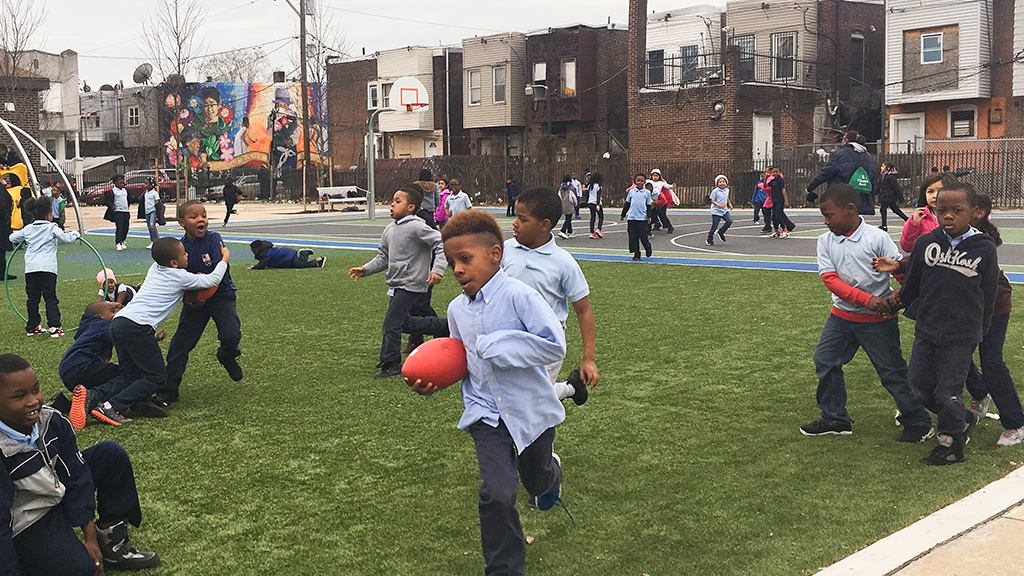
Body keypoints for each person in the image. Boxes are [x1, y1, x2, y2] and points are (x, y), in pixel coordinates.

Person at [408, 210, 568, 576]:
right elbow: (458, 359)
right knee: (497, 493)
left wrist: (499, 343)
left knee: (537, 480)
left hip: (531, 411)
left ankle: (551, 475)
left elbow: (553, 346)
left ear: (495, 254)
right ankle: (504, 569)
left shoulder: (519, 297)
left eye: (466, 259)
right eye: (452, 262)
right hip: (485, 415)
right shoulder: (455, 310)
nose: (458, 269)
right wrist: (432, 382)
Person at [0, 354, 161, 575]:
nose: (33, 401)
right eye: (19, 396)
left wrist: (90, 538)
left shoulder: (51, 420)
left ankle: (112, 544)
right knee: (81, 570)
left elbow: (76, 474)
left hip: (55, 492)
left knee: (110, 454)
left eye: (35, 390)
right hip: (27, 518)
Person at [801, 184, 934, 440]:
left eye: (829, 215)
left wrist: (899, 298)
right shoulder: (825, 241)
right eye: (824, 216)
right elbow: (831, 280)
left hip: (878, 320)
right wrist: (866, 299)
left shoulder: (877, 238)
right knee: (825, 361)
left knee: (892, 372)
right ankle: (835, 420)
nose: (826, 221)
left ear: (850, 209)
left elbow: (899, 271)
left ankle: (918, 421)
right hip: (841, 316)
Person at [889, 182, 999, 465]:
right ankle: (965, 418)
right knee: (918, 386)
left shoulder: (984, 248)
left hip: (962, 334)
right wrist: (895, 301)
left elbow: (989, 293)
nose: (948, 216)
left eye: (956, 210)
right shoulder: (926, 243)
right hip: (927, 329)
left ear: (974, 213)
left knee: (947, 391)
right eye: (942, 210)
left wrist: (982, 328)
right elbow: (911, 285)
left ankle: (950, 444)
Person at [71, 236, 231, 426]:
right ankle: (111, 406)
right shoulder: (179, 276)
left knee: (129, 375)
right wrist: (224, 260)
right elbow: (212, 280)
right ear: (174, 263)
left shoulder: (154, 269)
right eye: (183, 253)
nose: (187, 255)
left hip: (119, 322)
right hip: (138, 326)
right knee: (157, 377)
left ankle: (92, 396)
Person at [504, 188, 598, 402]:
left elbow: (584, 311)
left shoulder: (563, 262)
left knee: (531, 400)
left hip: (546, 344)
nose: (514, 223)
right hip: (508, 338)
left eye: (522, 219)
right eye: (516, 216)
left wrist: (589, 359)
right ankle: (570, 388)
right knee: (513, 395)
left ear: (544, 225)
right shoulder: (505, 249)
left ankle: (543, 428)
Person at [348, 185, 446, 378]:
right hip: (396, 284)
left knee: (391, 324)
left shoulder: (417, 226)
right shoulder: (389, 229)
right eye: (392, 201)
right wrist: (365, 269)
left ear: (411, 207)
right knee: (403, 323)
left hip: (412, 284)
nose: (392, 204)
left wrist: (437, 270)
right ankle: (443, 326)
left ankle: (391, 363)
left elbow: (440, 243)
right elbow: (383, 257)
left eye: (397, 201)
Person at [160, 202, 243, 407]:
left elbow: (216, 274)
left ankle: (226, 355)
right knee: (180, 346)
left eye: (204, 215)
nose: (201, 220)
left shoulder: (214, 239)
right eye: (194, 216)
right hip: (194, 302)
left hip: (220, 295)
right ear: (181, 223)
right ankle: (169, 390)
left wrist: (200, 289)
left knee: (231, 335)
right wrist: (190, 297)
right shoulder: (179, 248)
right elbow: (178, 279)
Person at [963, 195, 1024, 446]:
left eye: (955, 208)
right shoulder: (942, 233)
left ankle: (1015, 423)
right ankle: (979, 393)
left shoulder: (981, 240)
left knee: (991, 362)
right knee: (954, 356)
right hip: (962, 307)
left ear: (974, 212)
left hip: (993, 307)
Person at [9, 198, 80, 338]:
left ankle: (32, 326)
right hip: (47, 268)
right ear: (48, 214)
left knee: (33, 298)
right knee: (50, 297)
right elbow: (66, 239)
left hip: (31, 269)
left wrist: (25, 238)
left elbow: (12, 237)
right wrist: (76, 234)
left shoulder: (28, 229)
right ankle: (54, 326)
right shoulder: (51, 227)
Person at [806, 129, 878, 215]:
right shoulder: (869, 157)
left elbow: (825, 173)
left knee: (839, 224)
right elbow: (873, 180)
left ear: (846, 140)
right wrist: (871, 199)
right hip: (862, 199)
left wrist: (811, 186)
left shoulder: (840, 154)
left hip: (841, 197)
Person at [899, 172, 956, 252]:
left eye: (940, 191)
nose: (935, 196)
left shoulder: (959, 217)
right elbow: (907, 247)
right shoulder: (920, 218)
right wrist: (913, 225)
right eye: (930, 191)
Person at [620, 177, 652, 260]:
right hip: (632, 218)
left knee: (643, 236)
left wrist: (649, 216)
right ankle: (636, 253)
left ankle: (647, 247)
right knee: (633, 237)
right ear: (635, 182)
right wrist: (623, 214)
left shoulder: (647, 193)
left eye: (641, 181)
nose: (640, 182)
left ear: (644, 182)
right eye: (638, 181)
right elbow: (627, 204)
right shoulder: (631, 192)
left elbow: (648, 205)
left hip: (642, 218)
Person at [248, 240, 325, 269]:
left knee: (300, 264)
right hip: (286, 258)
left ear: (257, 249)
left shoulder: (264, 254)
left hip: (288, 255)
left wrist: (254, 267)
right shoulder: (265, 250)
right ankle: (318, 261)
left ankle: (304, 252)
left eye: (253, 250)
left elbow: (262, 265)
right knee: (299, 265)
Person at [876, 162, 907, 231]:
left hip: (889, 196)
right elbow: (879, 187)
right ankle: (907, 219)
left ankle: (884, 226)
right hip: (884, 196)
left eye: (883, 166)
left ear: (888, 168)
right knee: (895, 209)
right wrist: (874, 194)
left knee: (883, 209)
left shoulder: (891, 177)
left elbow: (896, 188)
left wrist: (900, 198)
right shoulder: (882, 176)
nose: (881, 168)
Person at [767, 167, 795, 238]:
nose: (775, 173)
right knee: (774, 217)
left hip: (780, 200)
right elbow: (766, 186)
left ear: (779, 173)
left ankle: (785, 230)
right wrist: (765, 178)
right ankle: (776, 230)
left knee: (779, 215)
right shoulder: (773, 181)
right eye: (774, 172)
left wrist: (786, 200)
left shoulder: (781, 180)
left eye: (777, 172)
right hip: (774, 201)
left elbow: (783, 190)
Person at [706, 174, 733, 246]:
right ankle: (709, 238)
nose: (722, 183)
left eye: (723, 181)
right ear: (717, 183)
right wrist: (719, 205)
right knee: (715, 226)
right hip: (716, 210)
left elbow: (726, 197)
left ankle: (721, 232)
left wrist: (729, 204)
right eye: (720, 182)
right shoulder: (715, 191)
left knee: (729, 221)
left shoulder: (727, 190)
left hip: (724, 210)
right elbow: (712, 200)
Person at [648, 168, 675, 233]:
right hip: (653, 202)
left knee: (662, 215)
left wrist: (672, 186)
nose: (655, 177)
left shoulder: (661, 184)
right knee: (652, 214)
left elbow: (667, 186)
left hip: (661, 202)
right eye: (654, 176)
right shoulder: (648, 182)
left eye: (657, 176)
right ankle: (657, 224)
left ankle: (669, 227)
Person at [109, 175, 131, 251]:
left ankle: (123, 240)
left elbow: (129, 199)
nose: (122, 182)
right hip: (118, 211)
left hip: (126, 211)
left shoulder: (125, 191)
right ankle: (118, 242)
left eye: (122, 180)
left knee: (126, 227)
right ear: (115, 182)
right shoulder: (113, 191)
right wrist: (112, 206)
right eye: (119, 181)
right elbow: (108, 201)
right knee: (120, 227)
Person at [138, 177, 160, 248]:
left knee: (152, 226)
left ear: (151, 185)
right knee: (149, 227)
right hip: (147, 212)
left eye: (146, 184)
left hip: (153, 211)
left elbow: (157, 201)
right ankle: (152, 241)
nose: (144, 185)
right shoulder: (145, 193)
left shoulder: (154, 193)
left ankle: (157, 241)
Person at [556, 174, 577, 239]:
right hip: (569, 205)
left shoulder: (561, 188)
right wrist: (576, 204)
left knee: (568, 218)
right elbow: (573, 197)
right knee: (568, 219)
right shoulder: (571, 188)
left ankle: (570, 232)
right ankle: (562, 230)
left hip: (563, 204)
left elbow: (559, 196)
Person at [0, 177, 13, 280]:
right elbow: (2, 204)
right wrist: (7, 218)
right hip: (2, 223)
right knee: (1, 249)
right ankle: (1, 273)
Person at [586, 172, 604, 239]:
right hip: (596, 203)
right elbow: (598, 196)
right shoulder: (598, 186)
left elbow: (586, 193)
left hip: (590, 202)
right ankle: (598, 229)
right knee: (601, 216)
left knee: (592, 217)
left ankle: (591, 232)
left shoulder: (590, 186)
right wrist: (598, 204)